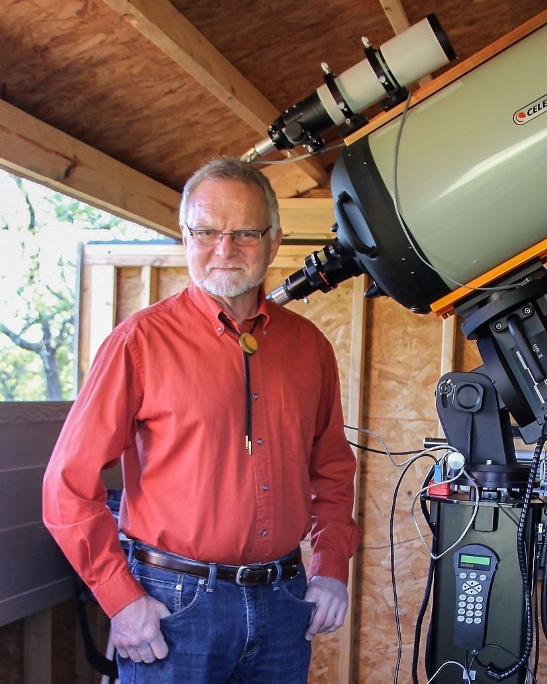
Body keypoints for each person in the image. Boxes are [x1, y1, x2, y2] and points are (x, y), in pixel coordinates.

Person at [42, 157, 361, 684]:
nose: (225, 249)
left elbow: (331, 471)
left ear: (275, 240)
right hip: (173, 609)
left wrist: (330, 569)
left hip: (284, 604)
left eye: (245, 233)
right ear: (185, 236)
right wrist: (121, 600)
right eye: (207, 231)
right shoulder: (138, 344)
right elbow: (66, 488)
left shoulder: (310, 349)